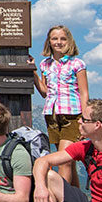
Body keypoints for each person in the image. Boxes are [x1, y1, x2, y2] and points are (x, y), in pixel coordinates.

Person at [31, 24, 88, 185]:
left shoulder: (77, 64)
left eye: (63, 38)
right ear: (49, 42)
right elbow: (44, 92)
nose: (58, 42)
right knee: (67, 161)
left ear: (69, 41)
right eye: (54, 38)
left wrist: (85, 119)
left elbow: (84, 92)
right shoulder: (45, 65)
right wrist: (34, 72)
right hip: (52, 115)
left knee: (64, 160)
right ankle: (77, 199)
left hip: (73, 114)